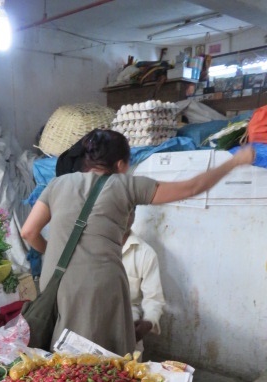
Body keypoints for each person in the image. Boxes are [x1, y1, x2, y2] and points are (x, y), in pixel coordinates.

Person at [21, 129, 255, 355]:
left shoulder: (57, 184)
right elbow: (191, 187)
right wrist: (233, 163)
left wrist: (54, 253)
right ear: (121, 164)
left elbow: (29, 232)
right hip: (98, 285)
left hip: (55, 279)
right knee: (97, 360)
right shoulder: (125, 185)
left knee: (62, 355)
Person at [122, 208, 165, 352]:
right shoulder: (92, 246)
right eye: (118, 210)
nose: (125, 217)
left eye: (130, 212)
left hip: (128, 320)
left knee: (129, 367)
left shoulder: (146, 254)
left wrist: (149, 321)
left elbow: (154, 298)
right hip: (92, 317)